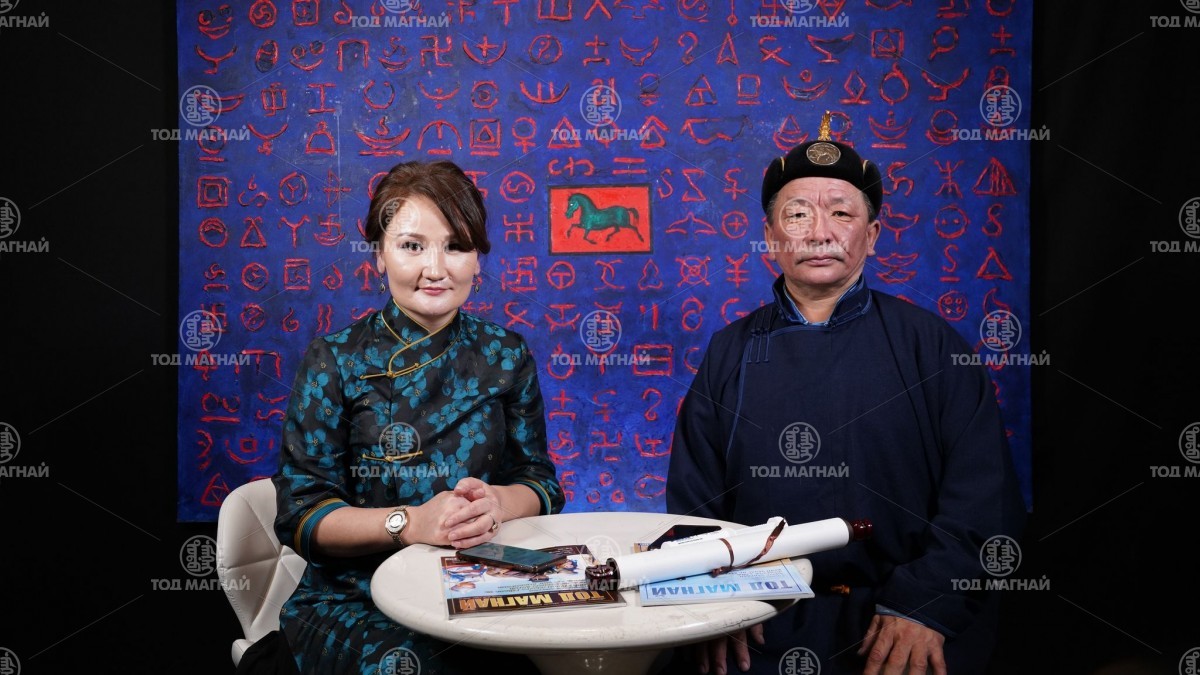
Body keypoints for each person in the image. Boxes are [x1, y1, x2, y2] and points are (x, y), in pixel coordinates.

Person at [664, 113, 1027, 675]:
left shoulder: (930, 346)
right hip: (761, 614)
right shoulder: (729, 351)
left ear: (872, 235)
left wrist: (927, 604)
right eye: (797, 214)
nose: (819, 232)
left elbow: (984, 498)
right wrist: (715, 598)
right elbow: (695, 501)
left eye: (841, 213)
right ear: (770, 236)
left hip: (899, 616)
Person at [272, 160, 564, 675]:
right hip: (357, 597)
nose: (436, 268)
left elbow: (539, 483)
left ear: (477, 259)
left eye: (456, 246)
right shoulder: (335, 359)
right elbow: (303, 516)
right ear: (378, 256)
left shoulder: (506, 353)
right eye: (412, 246)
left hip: (484, 583)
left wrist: (496, 503)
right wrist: (409, 523)